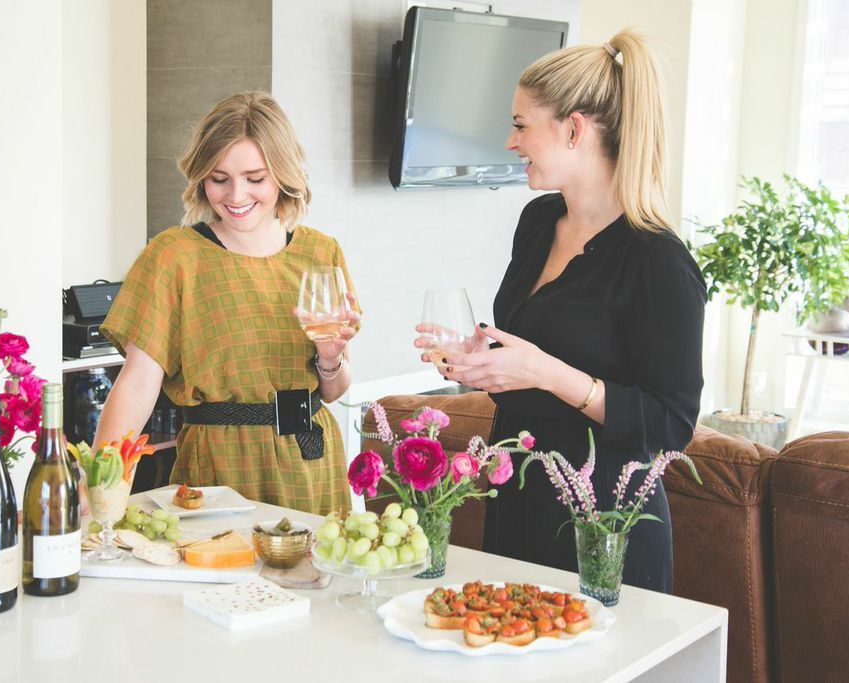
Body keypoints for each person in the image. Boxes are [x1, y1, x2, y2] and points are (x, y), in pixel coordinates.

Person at [416, 30, 705, 592]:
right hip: (520, 498)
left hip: (604, 524)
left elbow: (672, 427)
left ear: (574, 129)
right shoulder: (537, 221)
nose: (509, 141)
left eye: (522, 124)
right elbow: (535, 348)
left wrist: (546, 373)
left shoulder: (658, 260)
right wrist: (483, 359)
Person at [97, 91, 360, 515]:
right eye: (219, 178)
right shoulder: (174, 255)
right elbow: (137, 383)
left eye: (255, 179)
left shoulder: (321, 253)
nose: (236, 195)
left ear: (283, 175)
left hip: (312, 467)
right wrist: (101, 488)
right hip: (218, 472)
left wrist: (330, 358)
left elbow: (333, 390)